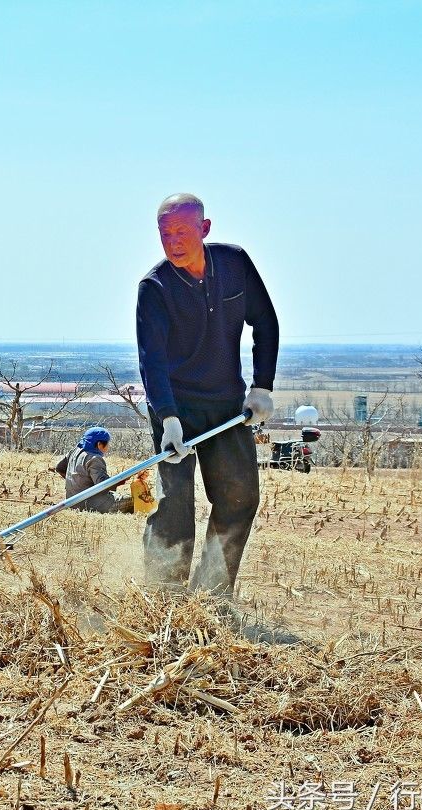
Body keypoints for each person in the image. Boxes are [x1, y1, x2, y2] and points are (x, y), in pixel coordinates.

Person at [135, 193, 279, 596]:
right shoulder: (155, 287)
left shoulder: (235, 265)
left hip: (226, 405)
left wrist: (262, 386)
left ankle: (211, 594)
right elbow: (152, 360)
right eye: (165, 233)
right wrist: (167, 416)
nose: (174, 242)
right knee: (174, 506)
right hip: (175, 408)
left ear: (205, 228)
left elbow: (265, 323)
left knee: (240, 496)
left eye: (182, 231)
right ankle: (163, 597)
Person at [54, 427, 135, 514]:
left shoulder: (74, 451)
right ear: (99, 444)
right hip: (92, 505)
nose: (108, 446)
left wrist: (76, 483)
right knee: (134, 500)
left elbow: (59, 468)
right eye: (107, 443)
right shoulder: (94, 458)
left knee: (119, 495)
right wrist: (124, 478)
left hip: (72, 502)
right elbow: (103, 485)